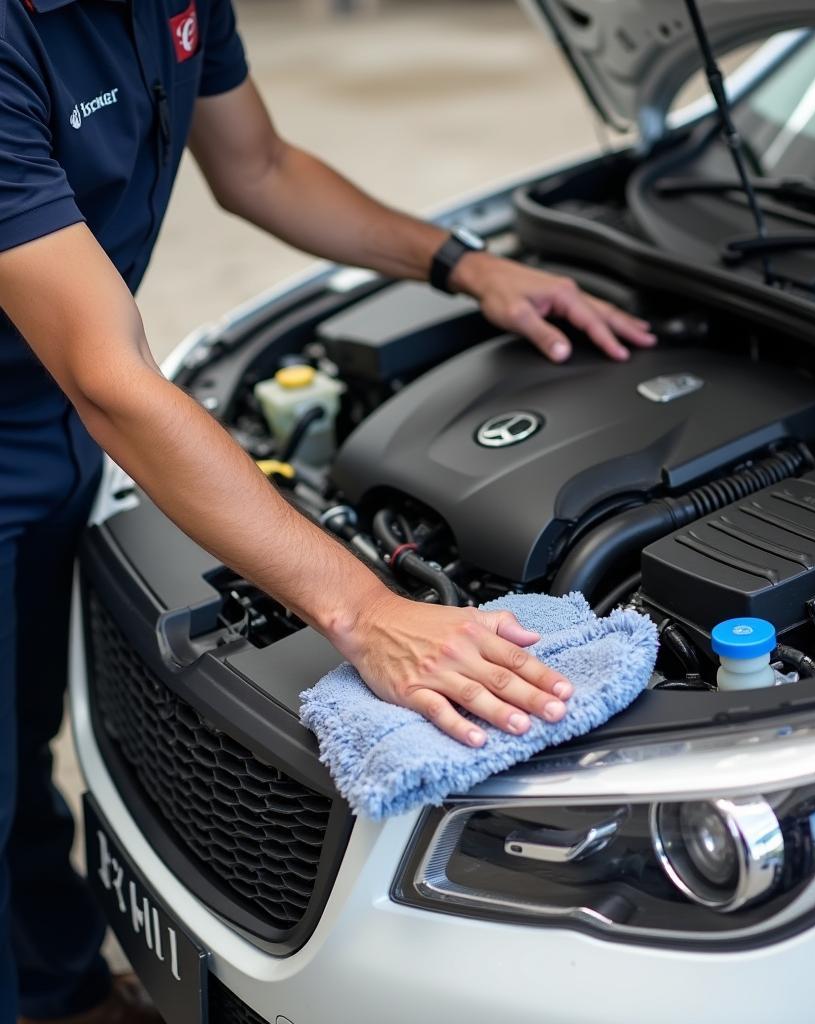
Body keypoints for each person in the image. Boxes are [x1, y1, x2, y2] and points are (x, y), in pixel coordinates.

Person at [0, 1, 656, 1020]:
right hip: (60, 397)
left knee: (20, 733)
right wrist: (363, 606)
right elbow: (112, 378)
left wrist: (464, 264)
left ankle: (57, 992)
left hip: (50, 420)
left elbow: (257, 165)